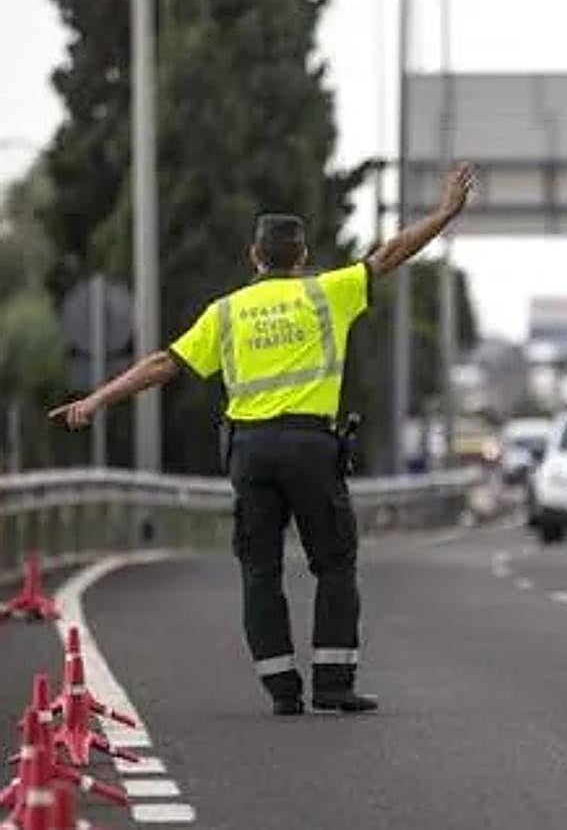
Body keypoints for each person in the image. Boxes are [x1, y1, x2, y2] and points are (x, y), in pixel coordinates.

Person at [49, 162, 476, 716]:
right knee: (334, 563)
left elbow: (162, 364)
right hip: (311, 447)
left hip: (250, 452)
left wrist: (97, 399)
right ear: (301, 258)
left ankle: (282, 690)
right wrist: (444, 213)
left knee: (259, 570)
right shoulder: (329, 293)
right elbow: (391, 253)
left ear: (254, 257)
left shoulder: (225, 313)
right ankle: (333, 684)